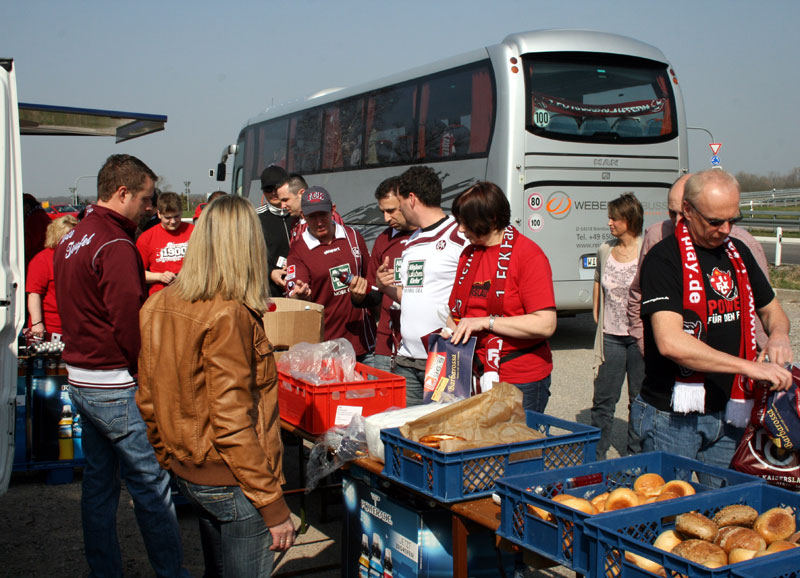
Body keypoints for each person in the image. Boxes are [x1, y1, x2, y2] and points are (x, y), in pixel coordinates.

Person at [138, 195, 295, 576]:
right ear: (246, 245)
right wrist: (274, 506)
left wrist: (171, 459)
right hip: (234, 481)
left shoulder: (158, 304)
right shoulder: (230, 314)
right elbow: (232, 423)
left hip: (193, 471)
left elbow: (148, 399)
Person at [53, 154, 188, 577]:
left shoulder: (70, 240)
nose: (150, 208)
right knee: (151, 485)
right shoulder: (115, 245)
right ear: (123, 192)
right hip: (114, 382)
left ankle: (104, 570)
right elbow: (128, 323)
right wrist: (147, 376)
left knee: (98, 485)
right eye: (146, 199)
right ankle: (171, 573)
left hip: (82, 379)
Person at [632, 169, 793, 479]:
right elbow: (671, 342)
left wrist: (779, 335)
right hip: (673, 416)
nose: (726, 229)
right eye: (715, 221)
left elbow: (772, 309)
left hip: (730, 410)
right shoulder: (664, 259)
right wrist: (749, 367)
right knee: (667, 513)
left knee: (725, 515)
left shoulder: (738, 252)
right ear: (688, 211)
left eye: (733, 219)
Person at [628, 173, 770, 355]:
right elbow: (637, 296)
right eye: (673, 213)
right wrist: (644, 345)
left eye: (726, 221)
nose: (680, 221)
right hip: (676, 366)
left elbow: (758, 303)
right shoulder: (656, 237)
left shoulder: (741, 244)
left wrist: (762, 348)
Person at [445, 182, 556, 412]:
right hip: (473, 372)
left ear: (492, 219)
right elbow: (455, 313)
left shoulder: (528, 255)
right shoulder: (469, 254)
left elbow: (545, 324)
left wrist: (487, 322)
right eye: (459, 221)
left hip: (518, 377)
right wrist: (451, 330)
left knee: (516, 447)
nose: (461, 229)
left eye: (467, 222)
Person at [376, 166, 468, 405]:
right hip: (406, 358)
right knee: (405, 433)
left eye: (400, 202)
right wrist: (386, 287)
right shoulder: (412, 240)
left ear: (412, 199)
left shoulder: (459, 235)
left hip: (443, 356)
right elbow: (413, 295)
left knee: (437, 433)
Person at [287, 186, 375, 360]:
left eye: (323, 214)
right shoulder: (298, 250)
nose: (319, 222)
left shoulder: (353, 237)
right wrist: (301, 295)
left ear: (333, 210)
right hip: (326, 350)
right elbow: (295, 297)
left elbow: (370, 281)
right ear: (303, 216)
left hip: (364, 346)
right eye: (313, 216)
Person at [591, 193, 644, 458]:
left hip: (638, 339)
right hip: (610, 337)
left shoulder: (647, 249)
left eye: (615, 218)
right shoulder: (605, 249)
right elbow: (597, 279)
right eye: (609, 217)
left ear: (630, 219)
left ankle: (636, 457)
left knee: (639, 401)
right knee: (603, 401)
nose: (609, 222)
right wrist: (596, 313)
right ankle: (597, 457)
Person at [348, 176, 416, 373]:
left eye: (391, 210)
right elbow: (374, 294)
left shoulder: (429, 237)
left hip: (423, 348)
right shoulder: (383, 240)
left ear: (408, 202)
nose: (386, 218)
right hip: (387, 348)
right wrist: (359, 296)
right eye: (383, 212)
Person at [26, 215, 77, 338]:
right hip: (51, 328)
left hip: (75, 326)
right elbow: (34, 294)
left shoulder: (77, 257)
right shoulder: (41, 260)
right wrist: (37, 323)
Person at [136, 191, 194, 295]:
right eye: (167, 218)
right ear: (159, 214)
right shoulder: (146, 237)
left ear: (181, 212)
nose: (173, 221)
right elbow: (137, 273)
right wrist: (160, 276)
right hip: (160, 297)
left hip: (190, 293)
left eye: (176, 216)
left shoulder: (194, 232)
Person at [256, 165, 298, 297]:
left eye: (276, 188)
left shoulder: (300, 214)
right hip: (272, 292)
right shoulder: (255, 218)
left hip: (301, 286)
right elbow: (249, 254)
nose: (273, 193)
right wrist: (270, 273)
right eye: (268, 189)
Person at [23, 193, 52, 271]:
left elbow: (30, 244)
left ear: (27, 206)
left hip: (34, 260)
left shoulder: (34, 219)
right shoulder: (42, 215)